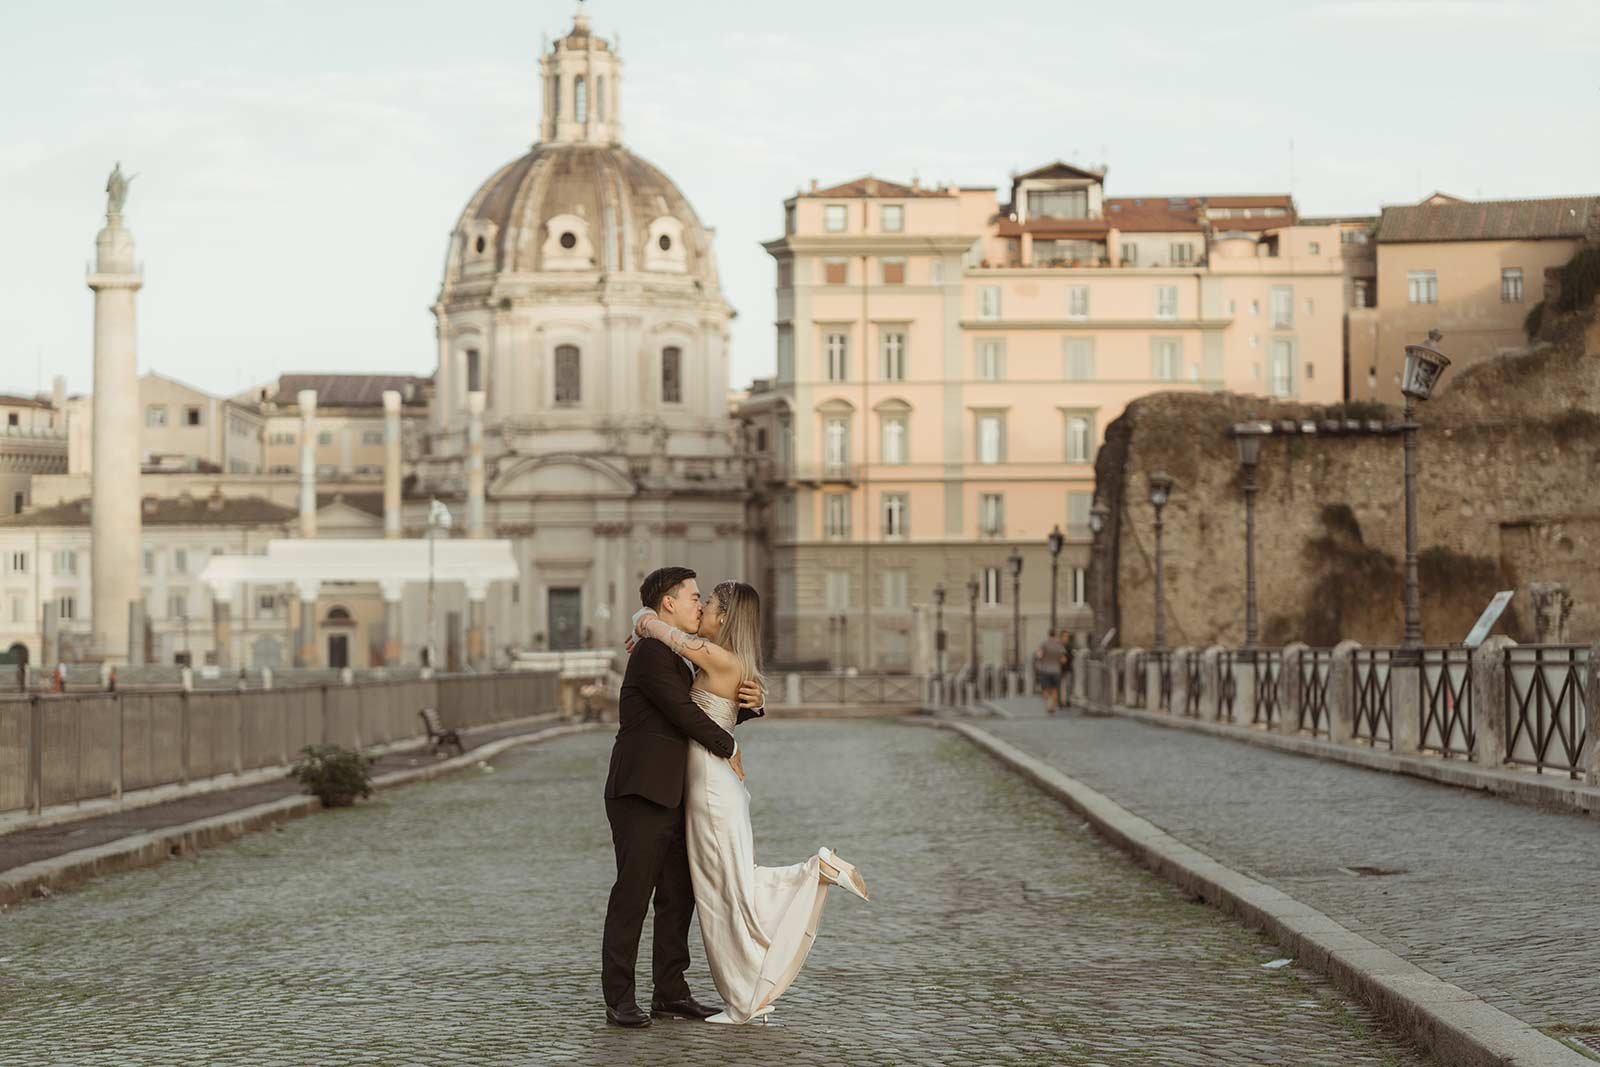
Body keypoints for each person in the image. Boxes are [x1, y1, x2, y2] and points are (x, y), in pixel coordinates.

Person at [631, 578, 870, 1025]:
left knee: (726, 891)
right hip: (713, 782)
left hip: (710, 785)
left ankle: (810, 877)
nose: (699, 610)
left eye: (709, 605)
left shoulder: (718, 657)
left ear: (724, 617)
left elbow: (666, 634)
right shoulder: (729, 661)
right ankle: (741, 989)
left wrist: (641, 618)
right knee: (726, 887)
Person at [600, 567, 764, 1029]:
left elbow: (706, 706)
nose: (699, 604)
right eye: (694, 597)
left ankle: (670, 993)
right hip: (642, 790)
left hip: (676, 792)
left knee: (678, 897)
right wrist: (729, 746)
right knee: (633, 894)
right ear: (669, 603)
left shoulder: (676, 654)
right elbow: (683, 713)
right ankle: (619, 997)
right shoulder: (652, 652)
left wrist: (748, 707)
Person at [1034, 631, 1063, 713]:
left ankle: (1049, 704)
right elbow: (1063, 659)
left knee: (1046, 690)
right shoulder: (1059, 645)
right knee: (1055, 690)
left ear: (1048, 635)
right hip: (1056, 670)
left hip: (1045, 670)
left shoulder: (1044, 644)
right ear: (1055, 635)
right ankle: (1053, 707)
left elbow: (1039, 655)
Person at [1059, 631, 1076, 709]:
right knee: (1061, 685)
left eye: (1067, 637)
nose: (1066, 638)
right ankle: (1062, 701)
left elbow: (1072, 657)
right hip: (1059, 669)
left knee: (1068, 685)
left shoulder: (1070, 646)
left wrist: (1067, 658)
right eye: (1064, 636)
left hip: (1068, 668)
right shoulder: (1058, 646)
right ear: (1061, 637)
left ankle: (1068, 701)